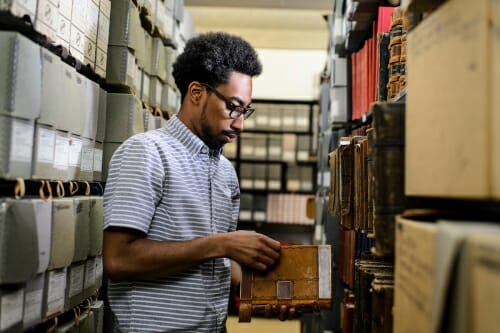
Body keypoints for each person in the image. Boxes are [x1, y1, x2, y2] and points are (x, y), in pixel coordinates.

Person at [103, 32, 292, 332]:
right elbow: (118, 259)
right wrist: (221, 244)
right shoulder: (146, 153)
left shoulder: (225, 173)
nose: (240, 124)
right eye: (233, 107)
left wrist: (266, 290)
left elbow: (219, 263)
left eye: (245, 111)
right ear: (196, 93)